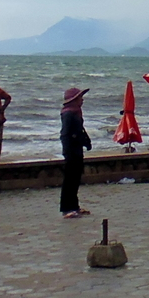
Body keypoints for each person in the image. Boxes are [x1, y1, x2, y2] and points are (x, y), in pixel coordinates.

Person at [59, 87, 92, 218]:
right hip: (71, 151)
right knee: (70, 180)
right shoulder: (68, 113)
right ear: (73, 99)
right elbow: (65, 134)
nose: (82, 100)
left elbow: (80, 130)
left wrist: (86, 141)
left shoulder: (76, 112)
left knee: (75, 179)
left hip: (77, 149)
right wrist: (68, 151)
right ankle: (66, 209)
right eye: (79, 97)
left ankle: (74, 206)